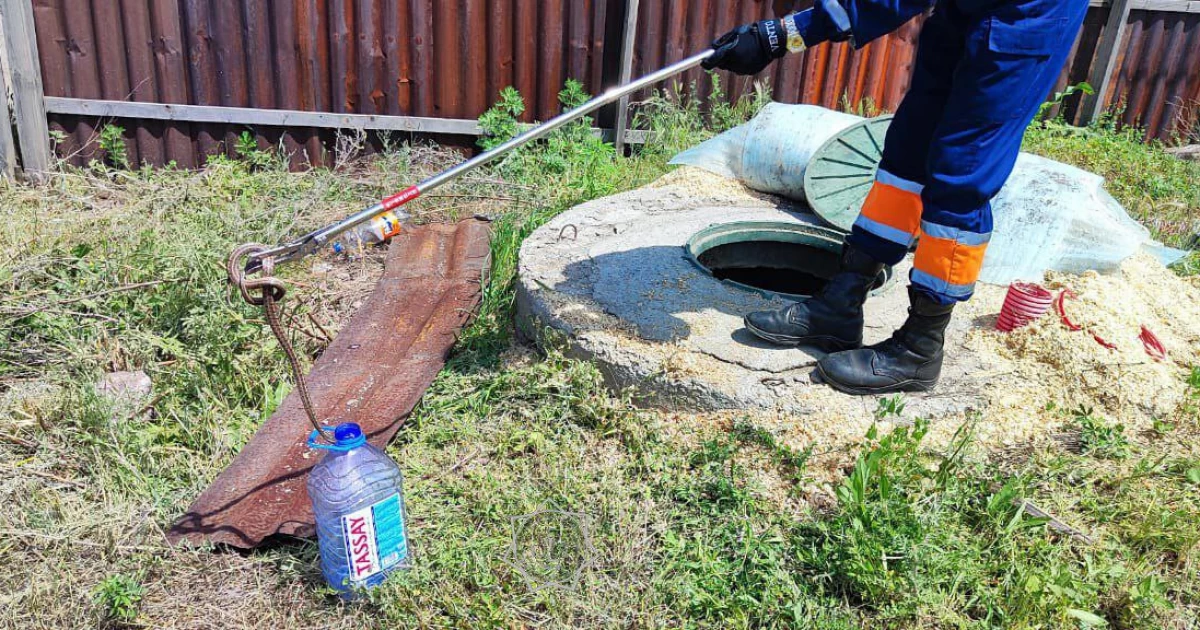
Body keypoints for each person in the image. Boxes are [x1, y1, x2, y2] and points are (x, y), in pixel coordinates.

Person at [703, 0, 1087, 395]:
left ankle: (920, 347)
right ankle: (841, 302)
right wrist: (784, 34)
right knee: (908, 151)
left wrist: (787, 34)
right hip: (964, 11)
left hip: (1023, 22)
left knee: (960, 174)